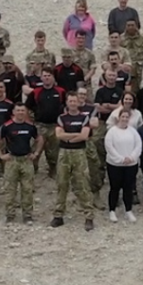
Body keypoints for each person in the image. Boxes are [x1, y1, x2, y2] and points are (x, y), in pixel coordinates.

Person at [0, 104, 43, 224]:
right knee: (10, 189)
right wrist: (0, 155)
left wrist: (36, 153)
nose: (20, 112)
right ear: (13, 112)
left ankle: (27, 215)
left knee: (27, 189)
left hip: (26, 160)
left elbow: (40, 139)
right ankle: (10, 215)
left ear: (25, 112)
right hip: (12, 161)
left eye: (23, 110)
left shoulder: (30, 127)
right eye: (18, 110)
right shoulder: (6, 126)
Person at [52, 92, 95, 230]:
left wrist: (69, 137)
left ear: (78, 102)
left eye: (74, 101)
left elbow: (84, 136)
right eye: (70, 101)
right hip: (64, 153)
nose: (72, 104)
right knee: (62, 183)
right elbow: (59, 135)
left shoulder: (84, 117)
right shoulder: (61, 118)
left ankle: (88, 216)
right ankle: (58, 215)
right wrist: (75, 135)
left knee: (83, 184)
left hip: (79, 153)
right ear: (67, 102)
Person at [103, 109, 142, 221]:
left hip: (131, 165)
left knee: (128, 188)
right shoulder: (112, 132)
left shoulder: (133, 131)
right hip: (115, 165)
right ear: (118, 118)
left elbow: (138, 145)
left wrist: (132, 157)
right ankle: (112, 211)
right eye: (122, 117)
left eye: (126, 117)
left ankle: (128, 210)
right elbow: (109, 147)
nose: (124, 119)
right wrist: (120, 159)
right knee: (115, 188)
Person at [120, 19, 143, 89]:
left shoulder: (142, 39)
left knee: (138, 87)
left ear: (136, 26)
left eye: (132, 25)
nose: (130, 27)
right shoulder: (121, 39)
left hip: (138, 68)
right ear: (125, 27)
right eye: (128, 25)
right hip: (125, 68)